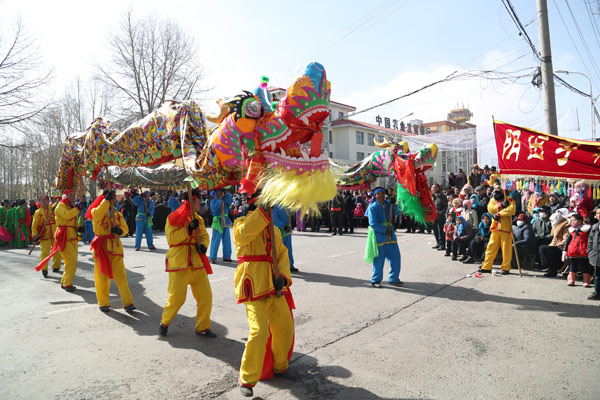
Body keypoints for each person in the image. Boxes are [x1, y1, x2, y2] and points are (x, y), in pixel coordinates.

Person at [233, 195, 294, 397]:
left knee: (284, 327)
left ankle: (279, 365)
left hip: (274, 286)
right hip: (254, 285)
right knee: (259, 332)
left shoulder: (274, 230)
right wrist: (262, 212)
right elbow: (244, 235)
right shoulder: (240, 223)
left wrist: (283, 278)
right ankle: (247, 379)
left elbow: (282, 254)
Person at [159, 189, 214, 337]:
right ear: (192, 200)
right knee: (177, 299)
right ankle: (164, 322)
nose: (200, 203)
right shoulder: (173, 217)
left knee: (206, 296)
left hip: (197, 262)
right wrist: (188, 230)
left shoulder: (199, 219)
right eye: (198, 200)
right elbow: (171, 239)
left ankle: (203, 327)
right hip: (179, 263)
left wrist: (203, 245)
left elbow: (204, 236)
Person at [89, 190, 136, 313]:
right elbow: (98, 215)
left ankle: (128, 302)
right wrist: (105, 201)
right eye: (111, 198)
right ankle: (103, 303)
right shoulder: (96, 211)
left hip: (115, 249)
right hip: (101, 248)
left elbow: (125, 229)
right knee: (102, 277)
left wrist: (119, 231)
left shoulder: (118, 215)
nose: (113, 200)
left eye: (114, 198)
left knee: (121, 276)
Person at [35, 189, 84, 292]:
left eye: (74, 195)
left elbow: (73, 221)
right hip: (62, 236)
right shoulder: (60, 206)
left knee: (71, 261)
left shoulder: (70, 207)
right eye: (70, 195)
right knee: (69, 260)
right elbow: (66, 216)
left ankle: (63, 279)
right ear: (65, 196)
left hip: (71, 236)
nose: (73, 197)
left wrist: (79, 227)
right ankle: (65, 282)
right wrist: (35, 235)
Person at [364, 187, 402, 288]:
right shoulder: (373, 207)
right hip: (380, 236)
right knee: (379, 260)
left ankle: (394, 278)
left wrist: (398, 204)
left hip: (391, 236)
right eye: (378, 194)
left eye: (382, 193)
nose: (380, 195)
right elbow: (372, 223)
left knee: (396, 258)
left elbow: (398, 212)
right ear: (375, 195)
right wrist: (384, 230)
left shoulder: (389, 204)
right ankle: (376, 280)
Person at [479, 187, 516, 275]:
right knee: (491, 247)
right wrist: (501, 206)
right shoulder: (493, 200)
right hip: (495, 228)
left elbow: (512, 210)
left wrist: (499, 213)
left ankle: (506, 267)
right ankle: (486, 266)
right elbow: (490, 209)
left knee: (506, 249)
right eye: (495, 190)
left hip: (505, 228)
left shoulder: (510, 199)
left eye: (499, 190)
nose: (497, 191)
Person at [32, 195, 62, 277]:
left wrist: (59, 198)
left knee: (56, 251)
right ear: (40, 202)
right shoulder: (37, 212)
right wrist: (35, 235)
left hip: (55, 233)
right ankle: (44, 268)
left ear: (48, 201)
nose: (44, 201)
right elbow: (34, 225)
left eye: (45, 200)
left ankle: (56, 266)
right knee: (44, 253)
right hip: (44, 234)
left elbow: (59, 204)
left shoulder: (53, 208)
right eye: (42, 200)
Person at [563, 213, 592, 287]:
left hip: (583, 251)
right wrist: (564, 251)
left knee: (584, 267)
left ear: (580, 221)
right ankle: (571, 280)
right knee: (572, 266)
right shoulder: (571, 230)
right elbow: (567, 241)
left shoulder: (586, 230)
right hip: (572, 251)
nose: (572, 222)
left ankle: (586, 281)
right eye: (572, 220)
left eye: (574, 220)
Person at [539, 209, 570, 277]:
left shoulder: (566, 225)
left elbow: (566, 238)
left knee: (550, 250)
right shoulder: (555, 225)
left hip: (563, 246)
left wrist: (557, 245)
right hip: (556, 244)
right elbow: (554, 238)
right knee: (542, 248)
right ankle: (548, 266)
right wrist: (552, 244)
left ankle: (553, 270)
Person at [209, 189, 233, 262]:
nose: (220, 193)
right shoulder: (212, 201)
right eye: (218, 191)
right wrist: (219, 200)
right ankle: (213, 257)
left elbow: (230, 201)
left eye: (221, 191)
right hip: (217, 222)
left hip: (226, 221)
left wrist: (226, 194)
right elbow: (214, 209)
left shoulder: (225, 200)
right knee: (215, 240)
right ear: (215, 193)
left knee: (227, 240)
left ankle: (227, 256)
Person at [586, 208, 600, 299]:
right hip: (596, 255)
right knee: (597, 275)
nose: (599, 215)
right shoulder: (595, 227)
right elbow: (590, 240)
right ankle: (597, 292)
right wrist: (589, 251)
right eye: (598, 213)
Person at [431, 184, 448, 251]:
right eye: (433, 187)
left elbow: (446, 206)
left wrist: (441, 212)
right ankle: (438, 243)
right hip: (433, 216)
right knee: (435, 231)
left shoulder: (442, 196)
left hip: (440, 216)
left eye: (435, 187)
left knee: (440, 231)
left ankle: (442, 244)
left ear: (438, 188)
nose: (434, 189)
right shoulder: (432, 196)